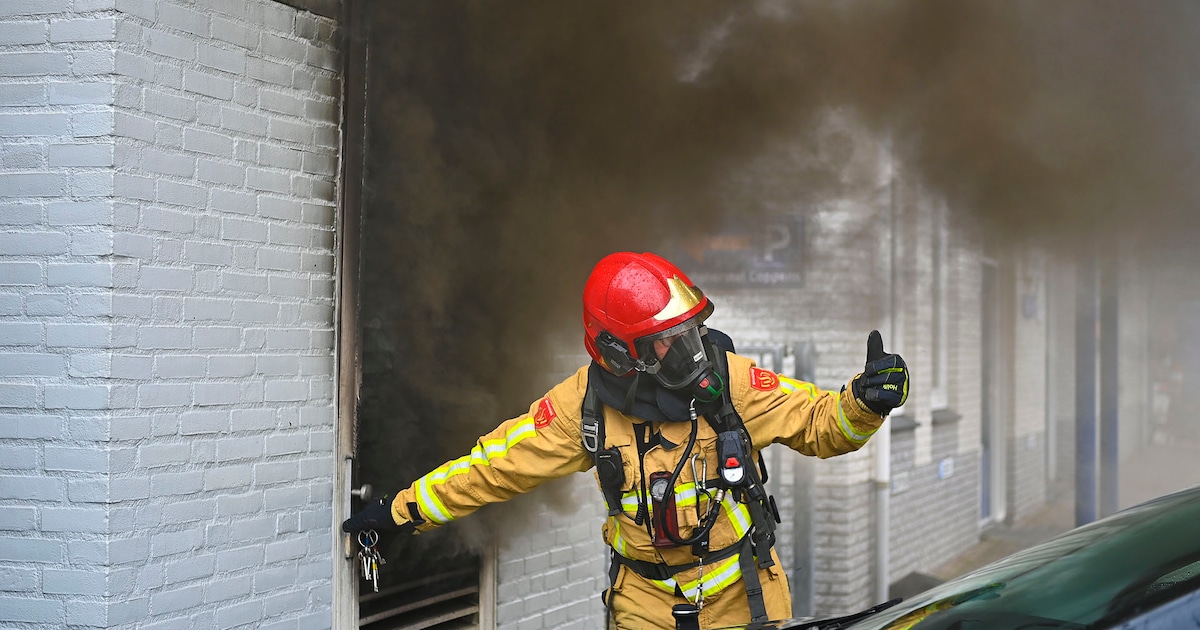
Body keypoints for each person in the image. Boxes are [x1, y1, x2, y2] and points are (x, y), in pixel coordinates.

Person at [342, 251, 909, 629]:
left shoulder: (731, 382)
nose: (690, 353)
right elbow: (494, 466)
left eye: (690, 332)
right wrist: (399, 513)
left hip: (743, 599)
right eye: (667, 341)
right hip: (645, 606)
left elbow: (822, 423)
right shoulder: (581, 408)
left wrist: (866, 401)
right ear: (619, 352)